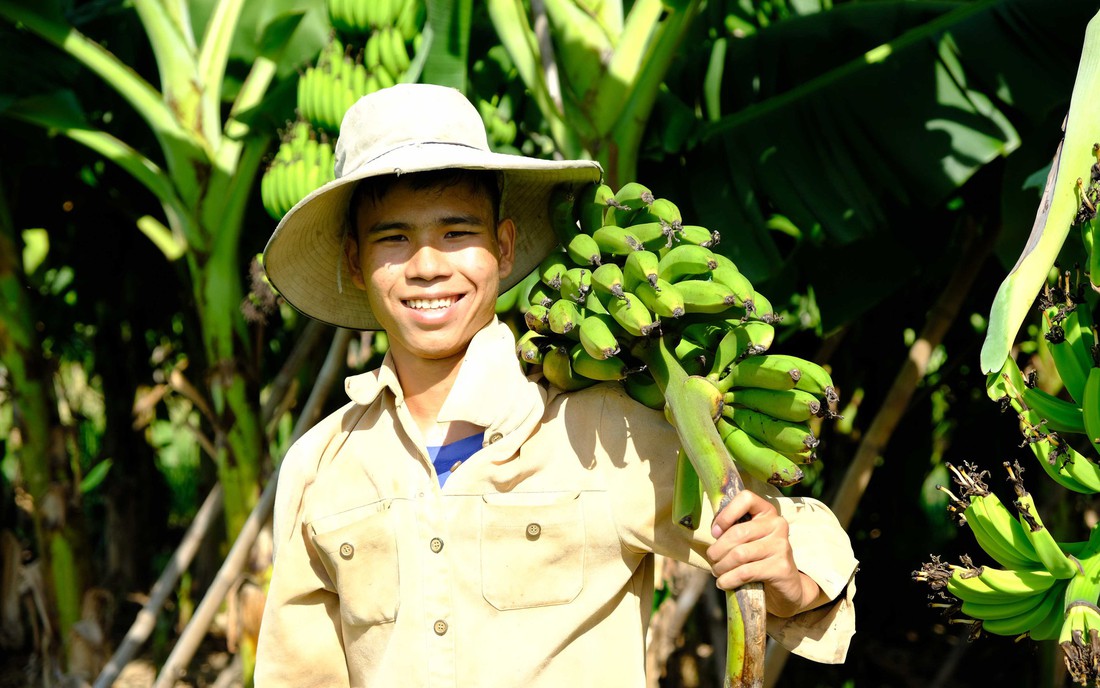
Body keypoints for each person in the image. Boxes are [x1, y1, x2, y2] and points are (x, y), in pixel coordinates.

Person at [255, 83, 857, 687]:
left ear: (505, 248)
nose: (428, 265)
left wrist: (786, 575)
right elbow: (302, 673)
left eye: (457, 232)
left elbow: (783, 529)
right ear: (357, 263)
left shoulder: (600, 433)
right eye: (395, 239)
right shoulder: (321, 467)